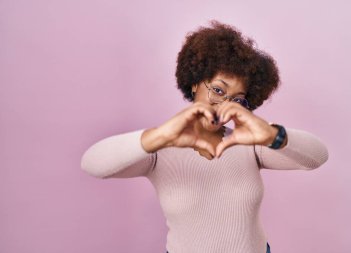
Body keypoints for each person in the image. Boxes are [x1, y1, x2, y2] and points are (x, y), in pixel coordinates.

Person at [80, 20, 329, 253]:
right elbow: (92, 164)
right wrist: (160, 136)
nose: (224, 105)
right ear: (195, 83)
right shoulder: (158, 150)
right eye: (218, 90)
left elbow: (317, 157)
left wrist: (273, 134)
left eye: (237, 99)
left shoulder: (249, 145)